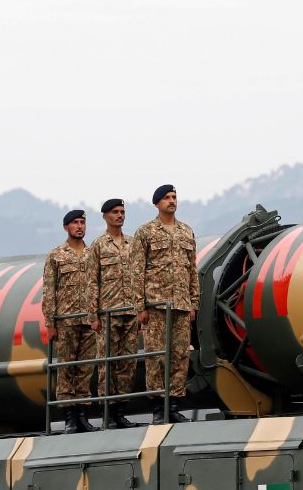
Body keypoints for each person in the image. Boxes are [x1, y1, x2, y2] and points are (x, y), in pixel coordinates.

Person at [131, 184, 200, 424]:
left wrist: (194, 304)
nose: (172, 201)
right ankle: (159, 409)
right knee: (157, 358)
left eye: (174, 197)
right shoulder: (146, 232)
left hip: (181, 306)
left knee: (179, 356)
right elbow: (137, 271)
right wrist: (139, 306)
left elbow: (192, 270)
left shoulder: (186, 231)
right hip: (156, 306)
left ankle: (174, 405)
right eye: (167, 198)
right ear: (157, 203)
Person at [42, 209, 101, 434]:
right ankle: (69, 418)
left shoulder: (92, 254)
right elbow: (49, 290)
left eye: (82, 222)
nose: (79, 226)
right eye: (75, 223)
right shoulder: (56, 256)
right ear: (66, 227)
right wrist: (50, 321)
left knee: (85, 369)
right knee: (67, 368)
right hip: (65, 321)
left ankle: (83, 416)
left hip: (89, 319)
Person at [88, 198, 139, 428]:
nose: (120, 216)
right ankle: (108, 412)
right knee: (106, 364)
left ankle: (121, 411)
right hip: (108, 313)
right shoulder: (98, 246)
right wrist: (93, 315)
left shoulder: (133, 243)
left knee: (127, 363)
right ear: (105, 217)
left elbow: (140, 277)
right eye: (115, 212)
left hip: (130, 311)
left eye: (122, 212)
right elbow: (92, 282)